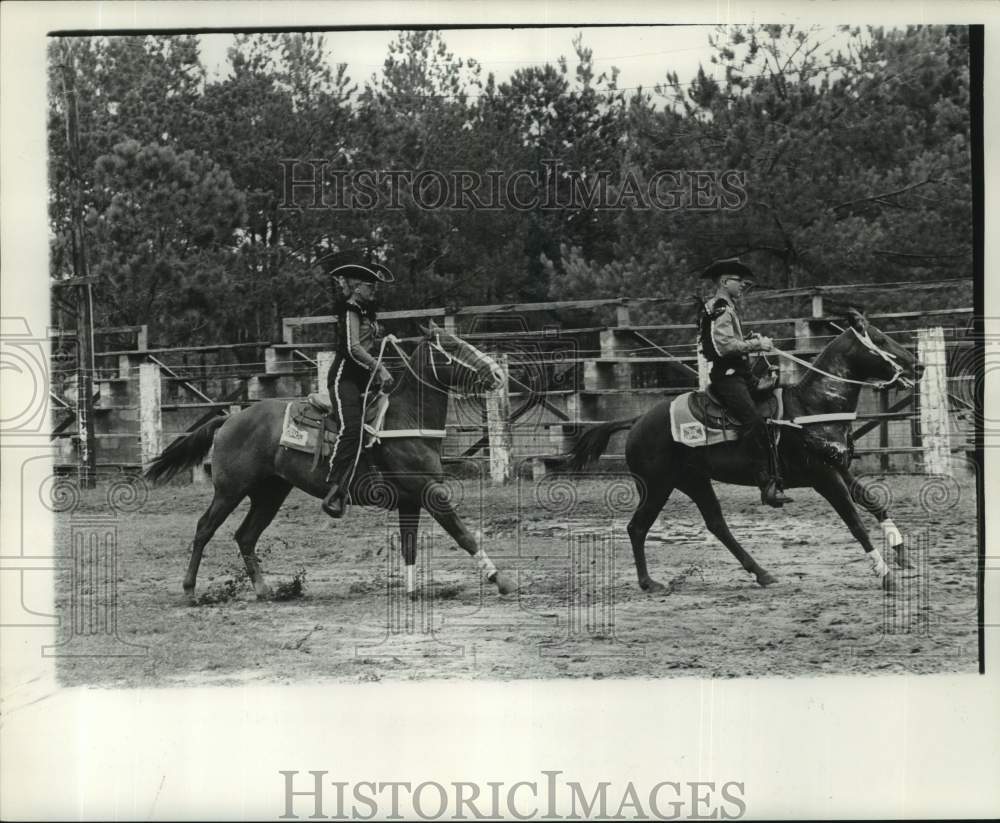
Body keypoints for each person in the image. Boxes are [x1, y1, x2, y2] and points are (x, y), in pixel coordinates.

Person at [698, 258, 791, 508]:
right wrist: (756, 345)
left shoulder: (727, 307)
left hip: (740, 374)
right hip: (728, 377)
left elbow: (729, 339)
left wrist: (749, 338)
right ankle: (765, 483)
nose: (742, 285)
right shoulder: (720, 307)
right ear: (724, 282)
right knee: (754, 423)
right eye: (739, 281)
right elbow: (724, 345)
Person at [320, 261, 396, 518]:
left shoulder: (365, 312)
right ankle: (335, 487)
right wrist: (381, 368)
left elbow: (366, 342)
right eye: (369, 284)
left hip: (364, 380)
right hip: (344, 379)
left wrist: (385, 340)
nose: (374, 288)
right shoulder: (351, 310)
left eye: (374, 284)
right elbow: (353, 348)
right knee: (351, 428)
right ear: (356, 288)